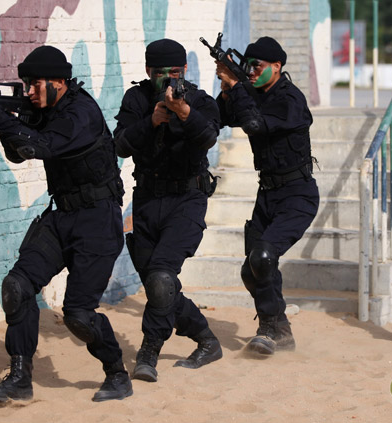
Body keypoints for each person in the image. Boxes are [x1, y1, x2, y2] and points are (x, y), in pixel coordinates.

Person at [0, 46, 131, 402]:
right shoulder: (46, 110)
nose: (28, 92)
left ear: (59, 82)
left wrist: (1, 119)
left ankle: (117, 373)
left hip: (97, 222)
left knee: (78, 315)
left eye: (35, 85)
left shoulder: (80, 113)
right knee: (18, 286)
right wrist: (6, 120)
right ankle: (20, 379)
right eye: (26, 85)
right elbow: (20, 151)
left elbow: (42, 146)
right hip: (62, 216)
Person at [113, 39, 223, 382]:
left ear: (184, 71)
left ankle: (149, 350)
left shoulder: (200, 99)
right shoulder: (136, 100)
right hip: (146, 200)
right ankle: (206, 338)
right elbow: (119, 145)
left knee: (162, 277)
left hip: (187, 200)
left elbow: (208, 136)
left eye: (174, 73)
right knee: (158, 285)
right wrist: (152, 121)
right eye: (160, 73)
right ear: (148, 72)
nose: (167, 80)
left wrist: (183, 113)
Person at [215, 36, 319, 356]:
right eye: (247, 66)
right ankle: (282, 328)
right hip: (268, 192)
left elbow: (255, 124)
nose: (251, 72)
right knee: (251, 270)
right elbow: (221, 118)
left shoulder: (290, 99)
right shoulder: (252, 94)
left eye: (257, 66)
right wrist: (226, 90)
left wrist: (237, 88)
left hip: (297, 194)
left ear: (276, 67)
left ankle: (269, 328)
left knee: (263, 257)